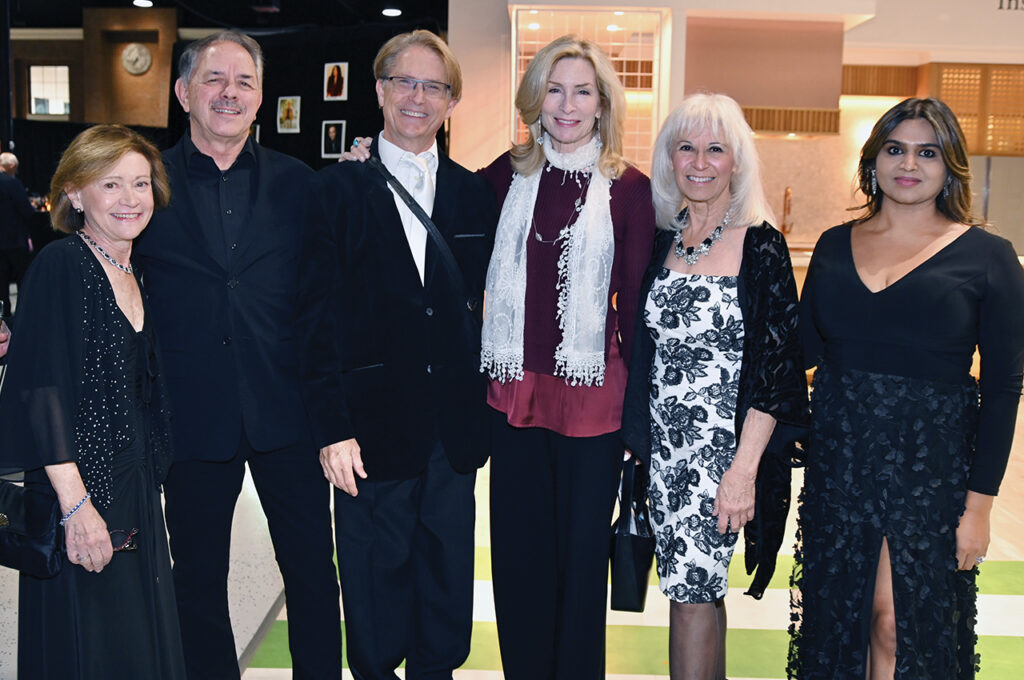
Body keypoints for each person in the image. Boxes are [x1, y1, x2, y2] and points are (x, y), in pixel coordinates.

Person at [789, 97, 1024, 679]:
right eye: (896, 149)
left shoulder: (989, 257)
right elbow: (798, 358)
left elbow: (1002, 389)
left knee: (898, 624)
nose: (909, 164)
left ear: (950, 166)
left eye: (928, 152)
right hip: (842, 469)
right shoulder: (833, 245)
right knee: (847, 617)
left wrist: (979, 507)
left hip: (931, 474)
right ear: (874, 160)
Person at [132, 30, 341, 680]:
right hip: (191, 418)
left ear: (260, 96)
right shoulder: (146, 186)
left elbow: (326, 300)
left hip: (288, 413)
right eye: (214, 79)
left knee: (313, 574)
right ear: (183, 92)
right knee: (197, 583)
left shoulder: (300, 185)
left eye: (243, 81)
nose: (229, 93)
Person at [298, 30, 497, 679]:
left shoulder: (474, 194)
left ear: (451, 101)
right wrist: (330, 429)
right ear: (380, 90)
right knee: (373, 589)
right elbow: (313, 319)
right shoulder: (336, 190)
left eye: (433, 86)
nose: (418, 97)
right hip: (368, 430)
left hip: (451, 431)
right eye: (405, 82)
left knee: (446, 586)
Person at [478, 35, 654, 679]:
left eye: (583, 91)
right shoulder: (503, 177)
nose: (568, 104)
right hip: (515, 395)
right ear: (536, 99)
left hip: (595, 405)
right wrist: (367, 160)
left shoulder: (630, 190)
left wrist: (639, 424)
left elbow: (635, 311)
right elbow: (433, 213)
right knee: (518, 563)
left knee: (580, 571)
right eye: (555, 89)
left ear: (603, 103)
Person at [619, 93, 807, 680]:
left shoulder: (762, 245)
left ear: (736, 161)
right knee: (695, 591)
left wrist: (742, 473)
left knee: (690, 599)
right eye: (687, 148)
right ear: (669, 158)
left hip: (722, 459)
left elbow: (778, 371)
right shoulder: (662, 239)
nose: (700, 162)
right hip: (665, 457)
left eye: (715, 149)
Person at [0, 124, 186, 679]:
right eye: (110, 184)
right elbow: (41, 393)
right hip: (82, 489)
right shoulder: (62, 265)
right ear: (75, 194)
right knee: (93, 646)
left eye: (140, 183)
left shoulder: (135, 270)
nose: (130, 199)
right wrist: (76, 508)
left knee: (134, 640)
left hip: (133, 487)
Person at [0, 151, 35, 316]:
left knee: (1, 284)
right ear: (12, 166)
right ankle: (23, 314)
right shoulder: (12, 183)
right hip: (14, 239)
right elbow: (27, 211)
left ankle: (3, 317)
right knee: (23, 279)